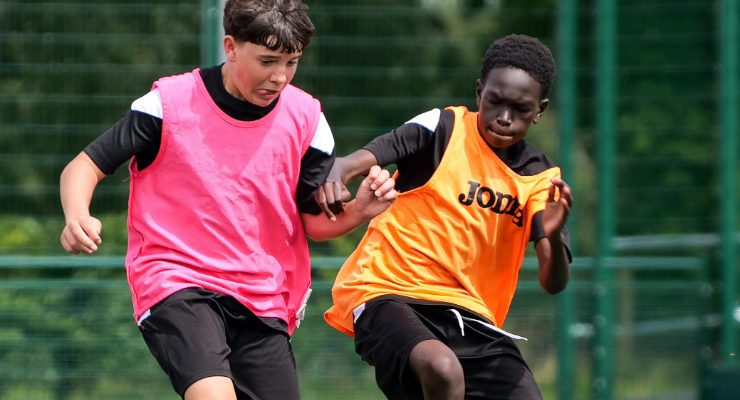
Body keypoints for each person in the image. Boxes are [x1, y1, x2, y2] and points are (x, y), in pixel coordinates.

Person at [58, 1, 396, 399]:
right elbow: (84, 166)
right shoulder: (168, 104)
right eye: (268, 61)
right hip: (177, 279)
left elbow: (312, 224)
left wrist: (359, 211)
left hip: (262, 294)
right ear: (231, 47)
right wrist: (77, 213)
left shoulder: (308, 120)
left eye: (292, 62)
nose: (280, 77)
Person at [317, 34, 573, 400]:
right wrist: (336, 174)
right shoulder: (444, 128)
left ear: (540, 109)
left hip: (470, 317)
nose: (503, 118)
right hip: (388, 294)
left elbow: (554, 282)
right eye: (494, 102)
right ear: (479, 91)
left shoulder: (541, 179)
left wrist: (552, 233)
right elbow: (360, 158)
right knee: (442, 367)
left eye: (519, 109)